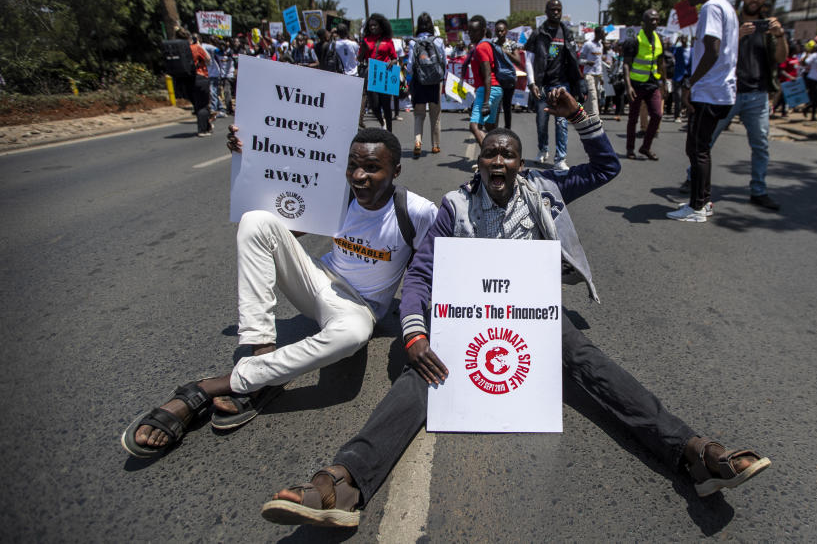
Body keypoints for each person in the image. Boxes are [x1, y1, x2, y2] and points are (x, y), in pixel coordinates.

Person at [258, 88, 770, 528]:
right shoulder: (453, 208)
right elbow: (420, 275)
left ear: (520, 164)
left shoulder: (546, 191)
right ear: (478, 163)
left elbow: (607, 166)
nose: (497, 163)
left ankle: (692, 453)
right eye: (489, 157)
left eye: (507, 156)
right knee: (422, 378)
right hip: (467, 321)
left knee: (589, 363)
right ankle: (346, 482)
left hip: (533, 315)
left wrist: (576, 114)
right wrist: (414, 334)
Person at [120, 128, 438, 457]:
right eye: (352, 165)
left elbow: (431, 268)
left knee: (354, 335)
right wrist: (246, 158)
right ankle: (261, 353)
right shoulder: (338, 194)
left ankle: (214, 385)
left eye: (371, 168)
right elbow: (285, 231)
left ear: (395, 171)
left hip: (359, 307)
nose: (358, 176)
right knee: (257, 221)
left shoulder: (416, 212)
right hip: (318, 281)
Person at [704, 0, 787, 211]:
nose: (756, 0)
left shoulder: (770, 27)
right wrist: (737, 35)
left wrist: (779, 35)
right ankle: (695, 179)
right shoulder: (731, 20)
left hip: (758, 95)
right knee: (707, 140)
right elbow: (717, 53)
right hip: (729, 93)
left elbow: (781, 58)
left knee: (761, 144)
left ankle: (758, 189)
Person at [668, 0, 738, 223]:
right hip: (720, 91)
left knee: (697, 149)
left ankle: (697, 207)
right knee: (701, 148)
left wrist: (690, 82)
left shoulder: (711, 7)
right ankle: (702, 200)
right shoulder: (727, 7)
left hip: (709, 92)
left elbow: (712, 50)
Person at [524, 0, 586, 170]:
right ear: (546, 11)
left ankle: (560, 158)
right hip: (543, 85)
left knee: (562, 122)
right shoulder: (538, 33)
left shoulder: (566, 32)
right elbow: (528, 59)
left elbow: (574, 59)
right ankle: (543, 149)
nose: (556, 12)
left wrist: (578, 83)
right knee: (542, 121)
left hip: (561, 85)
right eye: (553, 9)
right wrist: (532, 83)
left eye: (559, 9)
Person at [622, 9, 668, 160]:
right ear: (644, 22)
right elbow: (626, 65)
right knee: (633, 118)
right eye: (651, 20)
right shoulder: (634, 40)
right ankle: (630, 149)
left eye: (656, 19)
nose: (654, 22)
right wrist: (628, 86)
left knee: (657, 114)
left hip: (652, 84)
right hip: (635, 85)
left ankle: (645, 147)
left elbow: (661, 63)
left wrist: (664, 83)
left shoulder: (659, 40)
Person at [407, 12, 445, 158]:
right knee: (435, 115)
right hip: (435, 82)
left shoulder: (413, 42)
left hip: (419, 81)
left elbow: (410, 65)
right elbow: (444, 63)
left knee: (419, 114)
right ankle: (435, 145)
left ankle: (418, 142)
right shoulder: (438, 41)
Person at [464, 14, 503, 149]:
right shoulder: (484, 46)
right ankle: (499, 153)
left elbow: (487, 75)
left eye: (474, 31)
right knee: (490, 127)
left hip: (488, 90)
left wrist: (485, 102)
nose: (471, 34)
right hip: (495, 89)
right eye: (469, 31)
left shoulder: (481, 48)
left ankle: (490, 156)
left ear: (483, 31)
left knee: (474, 126)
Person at [359, 14, 399, 132]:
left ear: (381, 26)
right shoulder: (366, 40)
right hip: (372, 76)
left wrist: (392, 62)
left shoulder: (388, 41)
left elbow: (395, 58)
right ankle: (382, 122)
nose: (372, 28)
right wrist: (364, 50)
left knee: (386, 106)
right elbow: (360, 59)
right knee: (375, 106)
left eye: (375, 25)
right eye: (370, 26)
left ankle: (390, 132)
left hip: (385, 76)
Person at [494, 19, 524, 129]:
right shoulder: (493, 44)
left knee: (506, 105)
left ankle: (508, 129)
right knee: (495, 106)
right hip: (496, 79)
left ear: (506, 31)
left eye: (502, 31)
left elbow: (518, 61)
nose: (500, 33)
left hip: (509, 79)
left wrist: (506, 52)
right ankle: (494, 129)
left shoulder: (511, 44)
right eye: (497, 31)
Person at [579, 27, 605, 122]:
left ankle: (583, 113)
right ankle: (595, 118)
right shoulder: (588, 45)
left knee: (594, 96)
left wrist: (601, 76)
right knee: (593, 95)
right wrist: (587, 62)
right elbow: (580, 60)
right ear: (598, 34)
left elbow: (599, 62)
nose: (604, 35)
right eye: (603, 33)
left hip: (598, 75)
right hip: (589, 74)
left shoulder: (600, 45)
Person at [189, 33, 213, 137]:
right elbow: (208, 60)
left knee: (198, 105)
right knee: (203, 105)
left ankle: (207, 126)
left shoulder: (184, 48)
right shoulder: (196, 47)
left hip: (189, 79)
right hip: (201, 76)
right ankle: (202, 130)